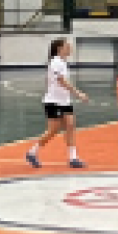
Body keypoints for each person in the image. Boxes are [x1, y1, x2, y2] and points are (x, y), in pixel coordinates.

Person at [27, 38, 89, 169]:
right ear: (60, 49)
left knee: (70, 126)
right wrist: (78, 94)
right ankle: (32, 152)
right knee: (53, 130)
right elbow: (61, 81)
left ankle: (73, 158)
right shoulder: (55, 62)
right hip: (53, 102)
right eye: (67, 46)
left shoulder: (63, 62)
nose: (70, 48)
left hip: (64, 101)